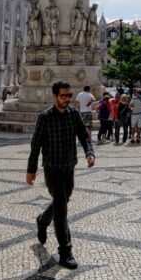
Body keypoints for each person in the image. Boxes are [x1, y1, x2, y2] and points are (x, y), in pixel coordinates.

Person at [26, 81, 94, 270]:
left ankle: (43, 219)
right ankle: (65, 251)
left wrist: (90, 153)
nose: (66, 99)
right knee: (62, 208)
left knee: (62, 200)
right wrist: (31, 170)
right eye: (63, 96)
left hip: (69, 167)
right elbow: (36, 145)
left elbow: (83, 136)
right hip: (52, 168)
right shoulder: (45, 117)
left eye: (69, 96)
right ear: (54, 96)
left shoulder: (73, 114)